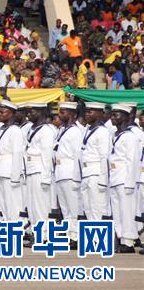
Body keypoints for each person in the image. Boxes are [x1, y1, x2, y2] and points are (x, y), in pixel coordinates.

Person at [107, 103, 139, 253]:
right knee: (118, 211)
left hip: (125, 179)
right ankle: (120, 238)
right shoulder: (115, 135)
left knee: (126, 211)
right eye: (112, 114)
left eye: (116, 115)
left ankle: (129, 241)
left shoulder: (130, 136)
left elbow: (132, 161)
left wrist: (130, 183)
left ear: (126, 117)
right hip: (115, 178)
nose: (113, 118)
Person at [22, 102, 56, 245]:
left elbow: (47, 154)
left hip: (40, 170)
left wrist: (46, 177)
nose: (29, 113)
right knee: (32, 206)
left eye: (33, 110)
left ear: (41, 112)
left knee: (41, 206)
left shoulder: (46, 130)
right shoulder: (32, 128)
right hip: (31, 169)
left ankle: (44, 235)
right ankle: (37, 234)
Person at [53, 100, 83, 248]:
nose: (60, 115)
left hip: (70, 172)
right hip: (60, 172)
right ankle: (70, 234)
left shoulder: (76, 131)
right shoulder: (62, 129)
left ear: (73, 115)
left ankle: (76, 236)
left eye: (63, 112)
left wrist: (77, 177)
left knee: (73, 207)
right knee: (65, 208)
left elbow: (78, 156)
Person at [80, 102, 111, 226]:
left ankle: (98, 241)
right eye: (86, 111)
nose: (87, 114)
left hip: (96, 173)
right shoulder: (88, 130)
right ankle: (92, 239)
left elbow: (105, 157)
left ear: (100, 114)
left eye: (90, 112)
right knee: (88, 208)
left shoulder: (102, 132)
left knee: (97, 208)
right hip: (87, 172)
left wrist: (103, 179)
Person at [0, 101, 24, 224]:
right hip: (1, 170)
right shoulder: (0, 129)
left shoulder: (15, 130)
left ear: (11, 114)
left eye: (3, 112)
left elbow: (17, 153)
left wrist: (15, 176)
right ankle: (8, 229)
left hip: (10, 171)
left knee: (13, 204)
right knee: (4, 204)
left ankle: (16, 231)